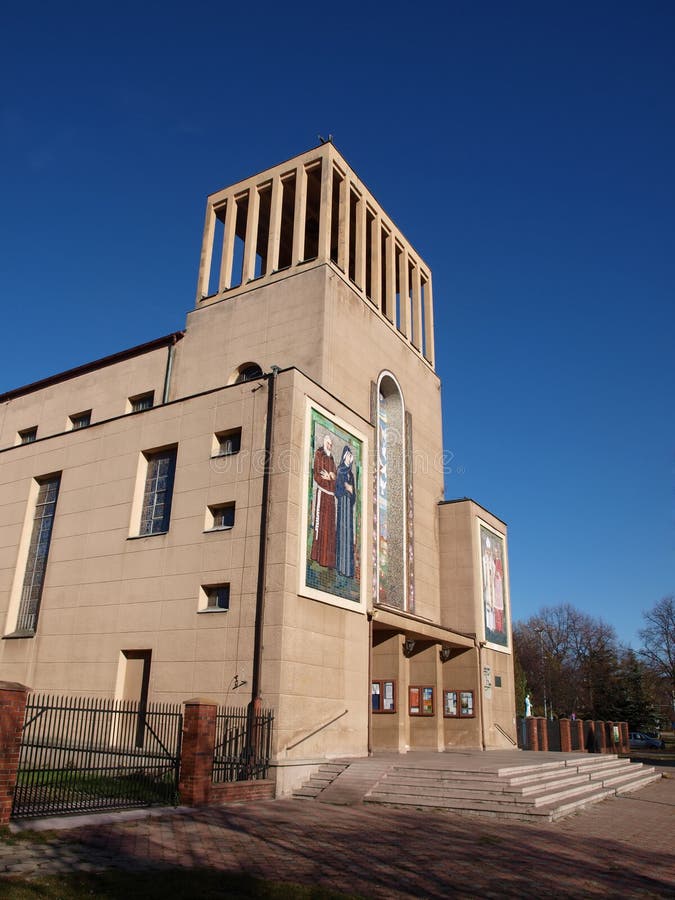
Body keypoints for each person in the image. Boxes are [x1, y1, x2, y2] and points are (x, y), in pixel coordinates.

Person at [310, 433, 336, 568]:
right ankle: (317, 556)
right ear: (324, 443)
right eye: (328, 444)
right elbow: (318, 474)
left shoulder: (331, 459)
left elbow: (334, 477)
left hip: (331, 497)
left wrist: (331, 476)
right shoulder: (320, 454)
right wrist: (328, 477)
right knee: (320, 527)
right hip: (323, 493)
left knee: (330, 528)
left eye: (331, 445)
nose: (330, 446)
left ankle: (328, 560)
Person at [335, 445, 356, 578]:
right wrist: (346, 489)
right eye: (349, 456)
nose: (350, 458)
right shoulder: (341, 471)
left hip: (349, 507)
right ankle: (340, 568)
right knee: (342, 534)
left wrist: (351, 489)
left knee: (348, 535)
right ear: (344, 457)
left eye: (351, 456)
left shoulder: (351, 474)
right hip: (343, 505)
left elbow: (354, 493)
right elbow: (338, 489)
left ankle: (348, 570)